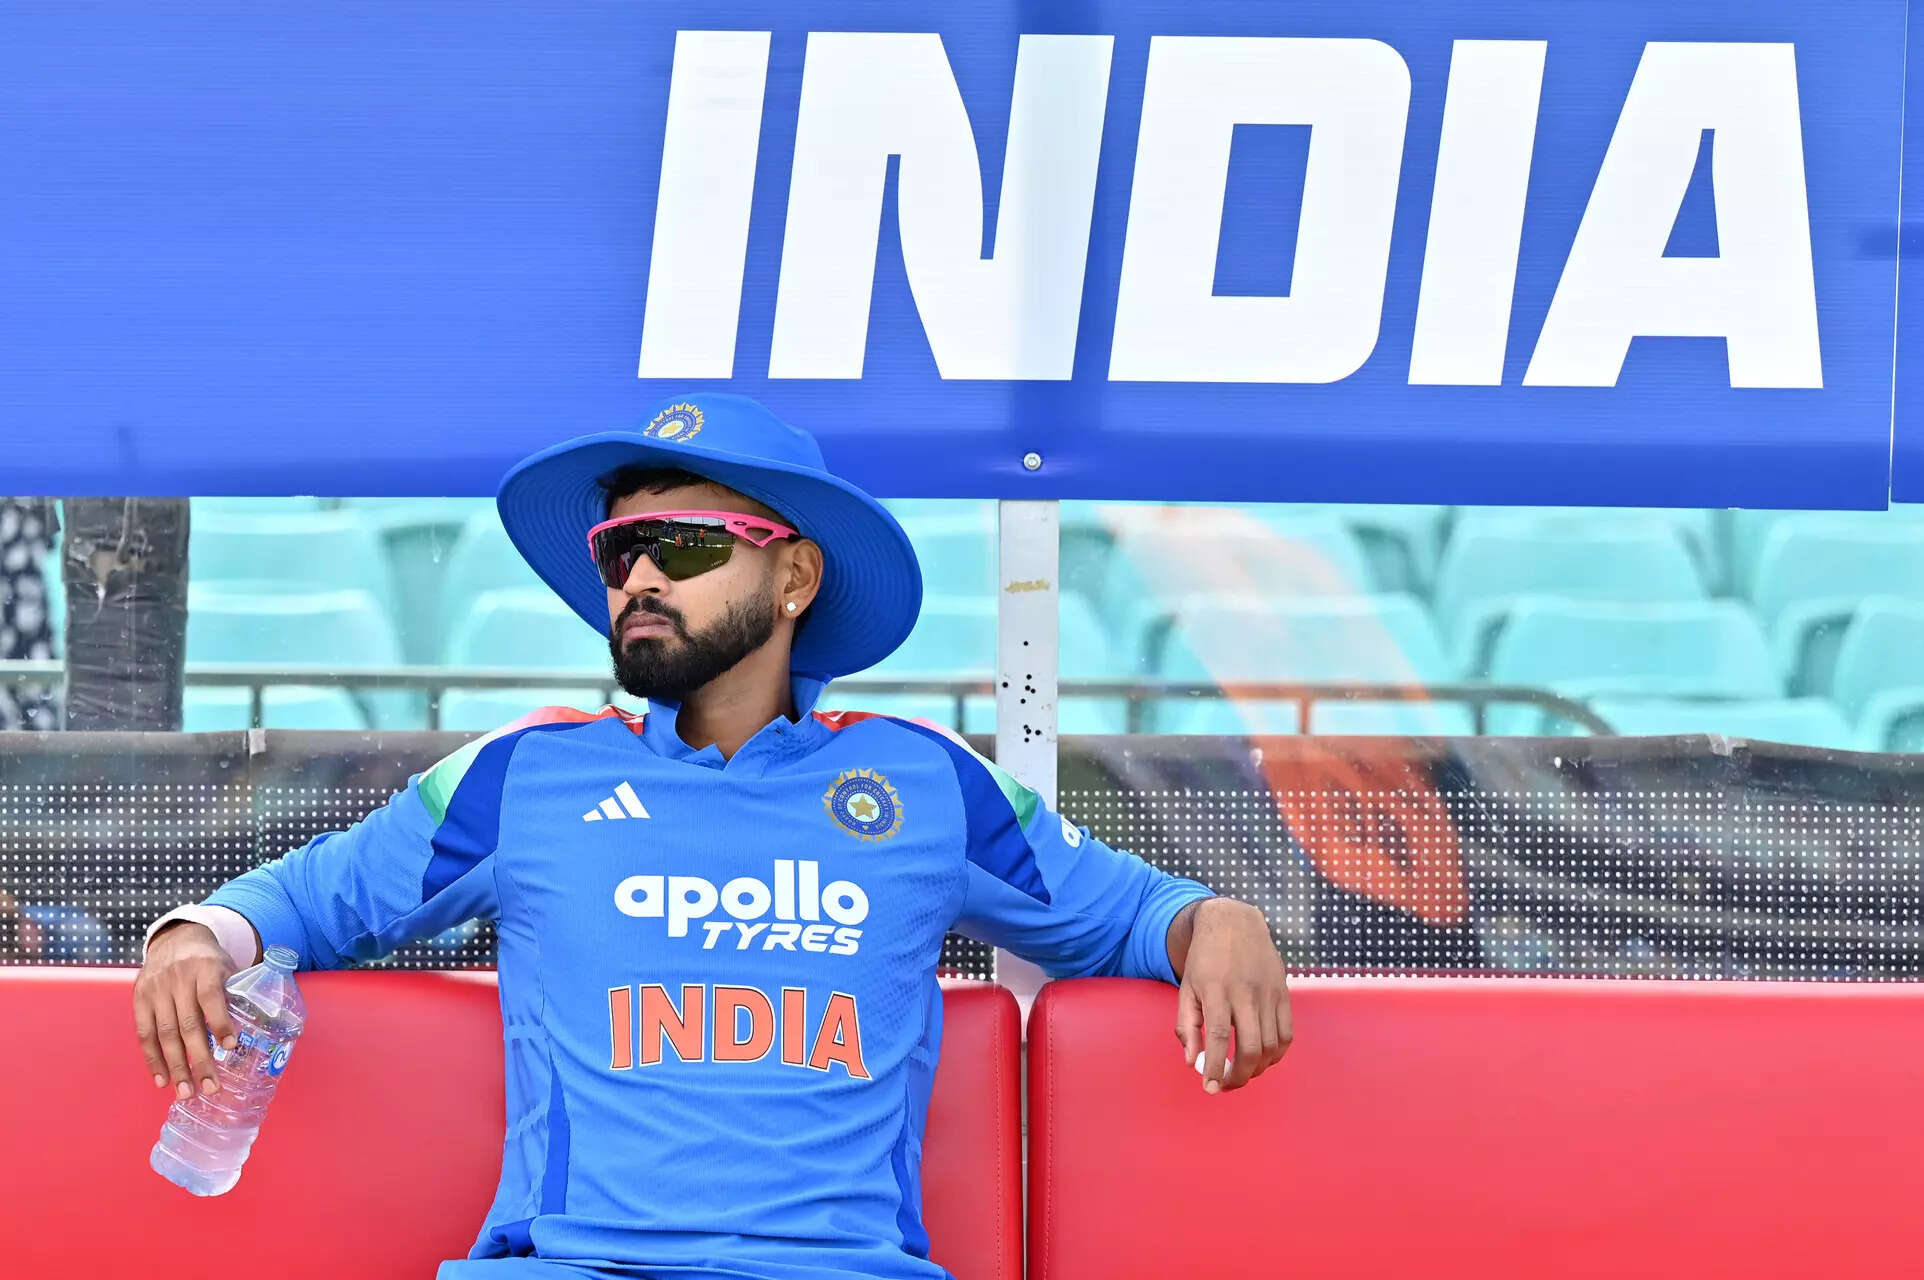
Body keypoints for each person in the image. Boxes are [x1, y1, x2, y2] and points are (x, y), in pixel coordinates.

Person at [133, 394, 1292, 1280]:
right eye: (618, 551)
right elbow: (313, 895)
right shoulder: (525, 771)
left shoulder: (927, 780)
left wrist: (1218, 918)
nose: (638, 577)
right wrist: (195, 936)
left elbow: (1132, 914)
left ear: (794, 575)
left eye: (682, 545)